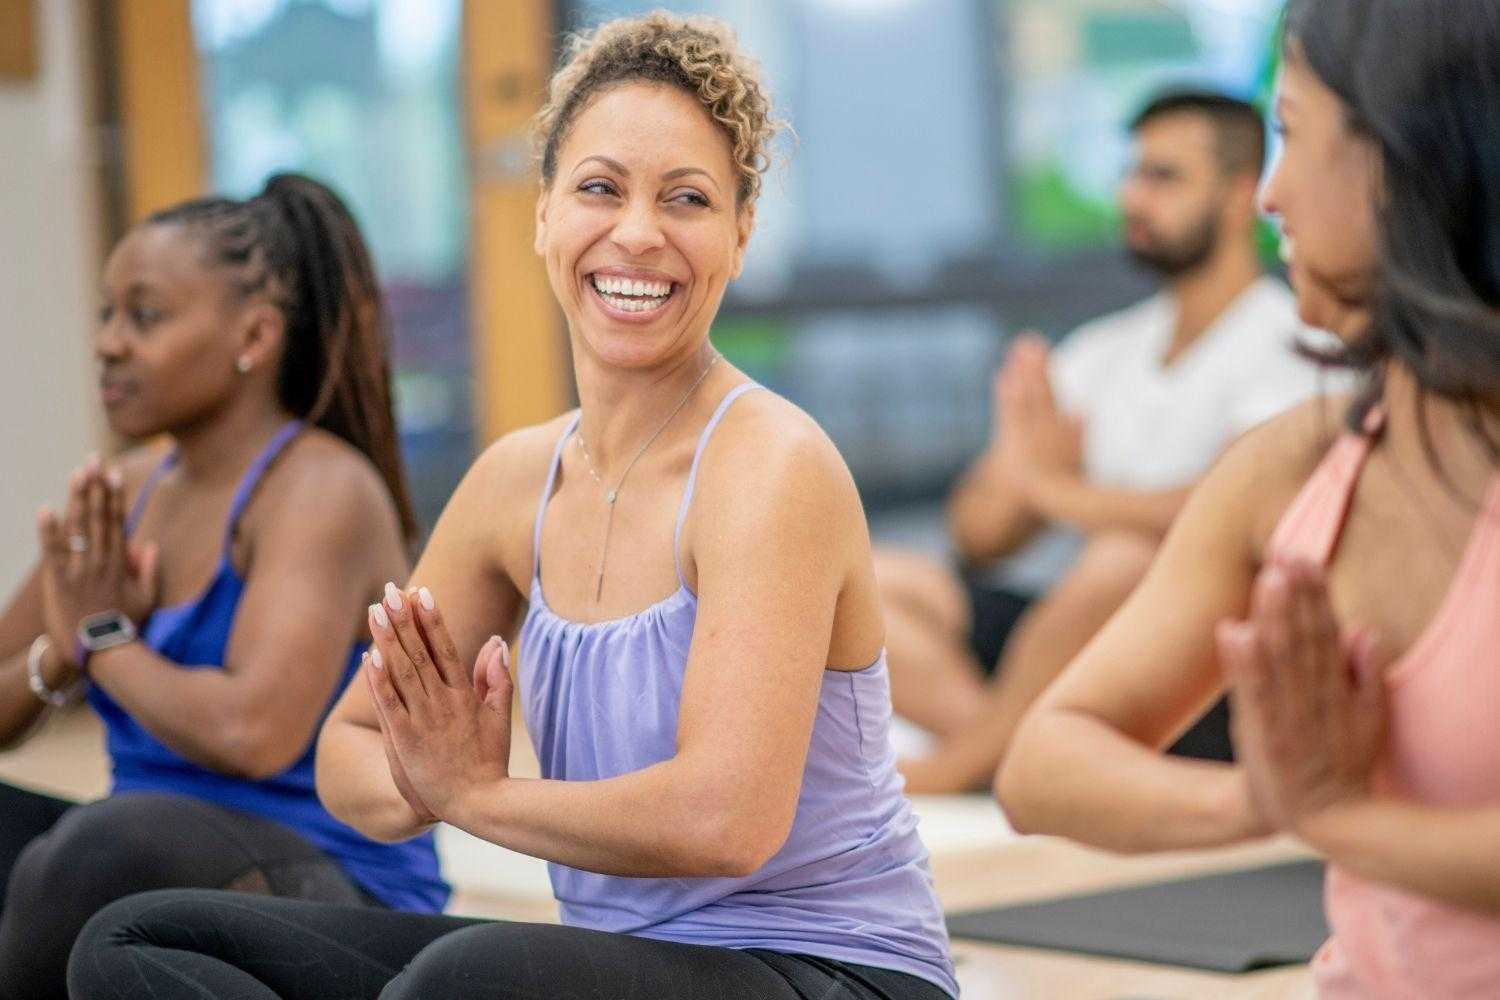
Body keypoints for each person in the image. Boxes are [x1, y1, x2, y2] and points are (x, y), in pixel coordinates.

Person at [66, 14, 958, 1000]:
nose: (637, 232)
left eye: (689, 199)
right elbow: (347, 748)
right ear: (543, 216)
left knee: (468, 979)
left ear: (740, 234)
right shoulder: (513, 483)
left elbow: (726, 821)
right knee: (136, 942)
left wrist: (477, 795)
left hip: (836, 970)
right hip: (621, 968)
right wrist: (423, 777)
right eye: (599, 188)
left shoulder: (769, 465)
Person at [998, 1, 1500, 996]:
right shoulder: (1295, 462)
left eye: (1295, 139)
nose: (1272, 194)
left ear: (1408, 160)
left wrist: (1336, 815)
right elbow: (1044, 764)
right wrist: (1264, 801)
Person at [0, 173, 447, 998]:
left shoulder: (321, 489)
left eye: (145, 316)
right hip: (138, 858)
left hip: (336, 893)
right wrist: (63, 653)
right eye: (106, 314)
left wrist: (103, 640)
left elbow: (254, 734)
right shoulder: (126, 492)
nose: (108, 343)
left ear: (254, 334)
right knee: (80, 852)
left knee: (101, 849)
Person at [883, 90, 1334, 792]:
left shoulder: (1291, 341)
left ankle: (979, 758)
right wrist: (1025, 473)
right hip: (1063, 636)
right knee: (869, 580)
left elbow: (1229, 509)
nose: (1133, 196)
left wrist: (1059, 492)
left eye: (1163, 177)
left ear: (1241, 192)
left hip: (1199, 658)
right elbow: (974, 533)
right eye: (1132, 174)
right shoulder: (1106, 349)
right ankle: (1001, 742)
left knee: (1125, 560)